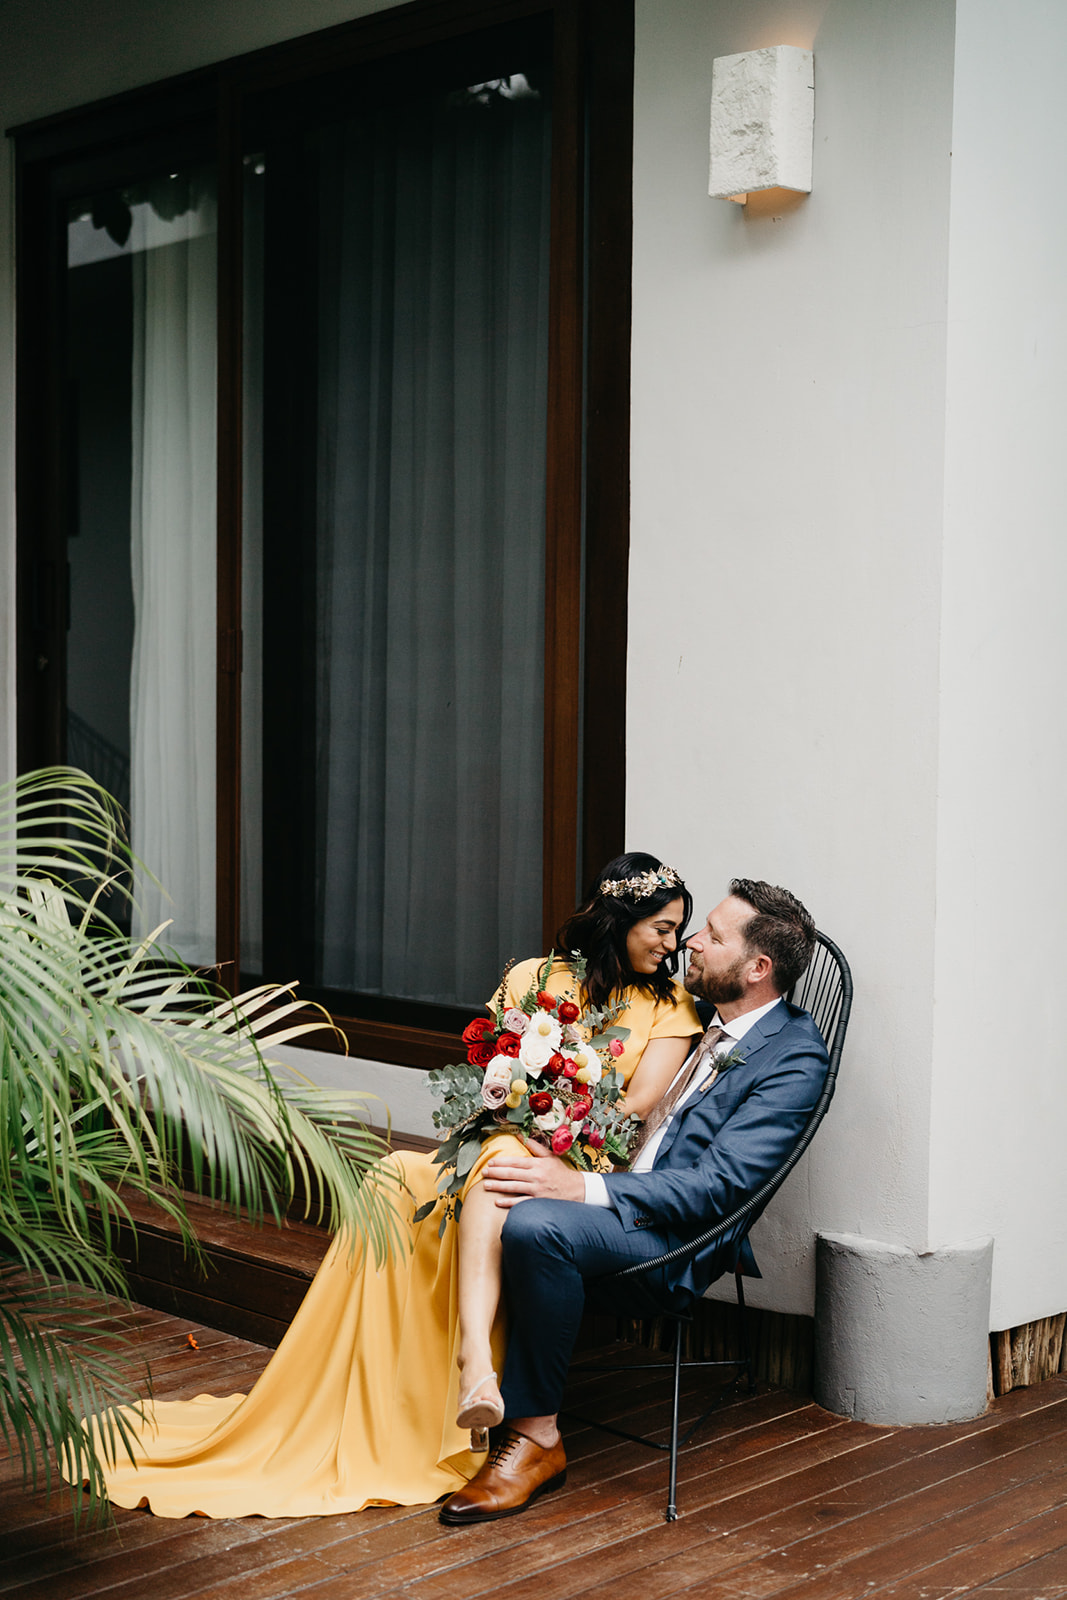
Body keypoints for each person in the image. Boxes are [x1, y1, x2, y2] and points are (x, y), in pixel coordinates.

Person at [82, 853, 701, 1518]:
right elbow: (491, 1060)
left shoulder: (669, 1005)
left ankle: (473, 1363)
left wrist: (556, 1117)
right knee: (392, 1173)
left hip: (580, 1156)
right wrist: (513, 1100)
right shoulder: (535, 976)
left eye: (676, 931)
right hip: (505, 1129)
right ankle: (375, 1384)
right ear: (618, 918)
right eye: (660, 929)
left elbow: (636, 1105)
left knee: (495, 1167)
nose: (670, 946)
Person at [436, 878, 829, 1526]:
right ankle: (453, 1386)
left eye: (712, 936)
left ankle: (535, 1438)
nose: (692, 943)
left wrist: (581, 1186)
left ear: (758, 968)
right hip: (619, 1191)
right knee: (497, 1166)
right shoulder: (705, 1020)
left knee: (536, 1225)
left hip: (674, 1236)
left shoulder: (793, 1060)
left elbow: (717, 1188)